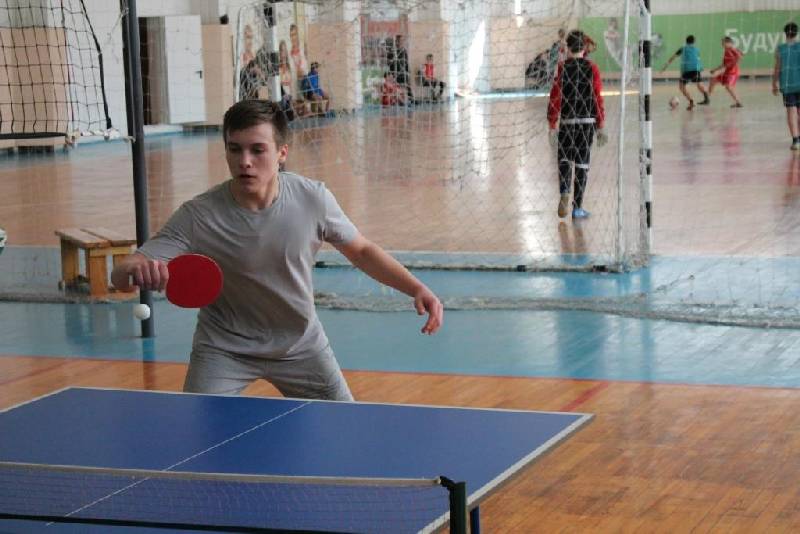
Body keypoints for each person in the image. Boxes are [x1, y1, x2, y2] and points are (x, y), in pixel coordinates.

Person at [111, 100, 444, 401]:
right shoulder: (199, 215)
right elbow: (122, 275)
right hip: (224, 350)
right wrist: (134, 270)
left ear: (282, 152)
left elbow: (361, 251)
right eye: (234, 149)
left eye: (258, 150)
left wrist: (416, 288)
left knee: (341, 426)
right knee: (199, 434)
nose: (245, 161)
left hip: (300, 346)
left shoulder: (312, 199)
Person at [547, 30, 607, 220]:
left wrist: (552, 124)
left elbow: (555, 96)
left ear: (568, 47)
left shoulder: (562, 67)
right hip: (587, 122)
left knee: (564, 159)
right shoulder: (592, 68)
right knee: (582, 163)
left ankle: (564, 191)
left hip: (567, 121)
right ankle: (577, 208)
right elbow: (597, 97)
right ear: (584, 48)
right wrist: (601, 125)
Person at [661, 35, 710, 110]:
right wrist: (700, 69)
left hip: (686, 71)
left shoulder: (682, 48)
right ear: (694, 42)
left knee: (682, 87)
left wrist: (665, 66)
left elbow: (673, 57)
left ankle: (691, 101)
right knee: (699, 85)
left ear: (686, 41)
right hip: (696, 70)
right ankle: (706, 98)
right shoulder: (696, 49)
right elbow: (698, 60)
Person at [773, 22, 800, 151]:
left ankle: (796, 140)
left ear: (785, 33)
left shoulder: (780, 48)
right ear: (796, 33)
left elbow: (777, 67)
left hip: (787, 84)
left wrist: (774, 83)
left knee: (791, 111)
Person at [709, 36, 744, 108]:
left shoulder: (732, 49)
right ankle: (707, 98)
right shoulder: (726, 51)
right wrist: (715, 70)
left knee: (728, 87)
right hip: (726, 72)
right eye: (722, 43)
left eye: (723, 43)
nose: (722, 44)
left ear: (729, 43)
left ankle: (738, 102)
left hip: (733, 73)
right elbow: (723, 65)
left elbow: (740, 57)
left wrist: (732, 63)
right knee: (713, 80)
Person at [388, 34, 413, 102]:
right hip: (395, 73)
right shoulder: (392, 50)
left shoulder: (404, 51)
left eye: (402, 40)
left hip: (403, 72)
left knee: (407, 82)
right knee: (399, 84)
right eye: (400, 40)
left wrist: (408, 71)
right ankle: (399, 99)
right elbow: (389, 62)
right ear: (396, 41)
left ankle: (411, 98)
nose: (401, 42)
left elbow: (406, 62)